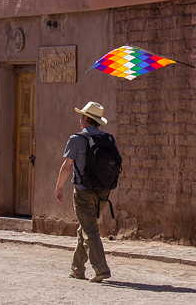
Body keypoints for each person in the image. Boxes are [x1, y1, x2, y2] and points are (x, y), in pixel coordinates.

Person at [54, 101, 111, 283]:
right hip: (103, 193)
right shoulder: (108, 139)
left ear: (85, 119)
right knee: (85, 228)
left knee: (90, 230)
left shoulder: (77, 139)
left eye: (81, 116)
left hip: (83, 191)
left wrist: (58, 186)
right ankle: (77, 269)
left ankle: (101, 269)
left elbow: (66, 167)